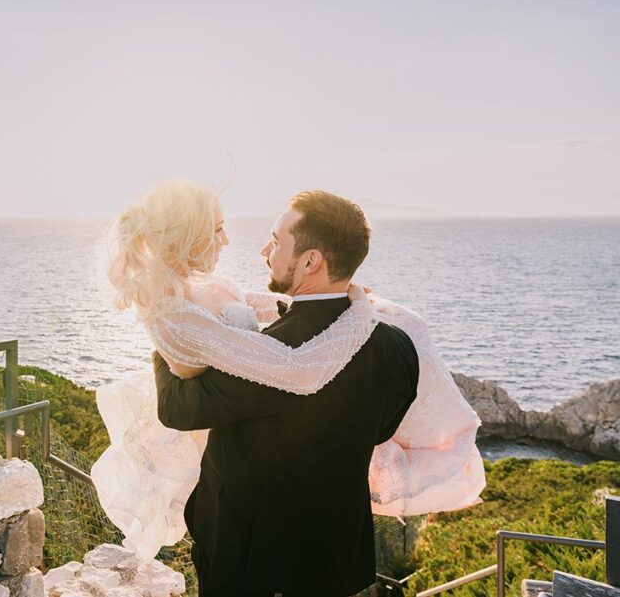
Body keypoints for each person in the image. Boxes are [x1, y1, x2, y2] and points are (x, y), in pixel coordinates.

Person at [92, 181, 484, 597]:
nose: (265, 251)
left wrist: (166, 344)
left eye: (276, 243)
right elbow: (384, 430)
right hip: (337, 553)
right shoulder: (397, 343)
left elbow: (175, 408)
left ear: (311, 260)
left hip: (250, 560)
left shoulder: (262, 357)